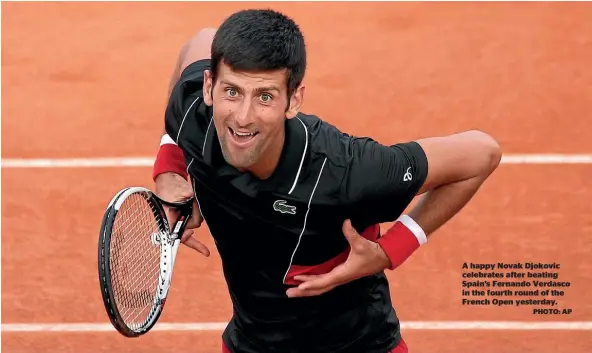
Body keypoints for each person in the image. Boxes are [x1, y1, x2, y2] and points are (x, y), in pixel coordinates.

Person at [152, 8, 501, 353]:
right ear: (209, 86)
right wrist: (171, 171)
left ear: (294, 100)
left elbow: (481, 153)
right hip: (252, 342)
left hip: (356, 344)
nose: (243, 117)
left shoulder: (348, 171)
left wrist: (389, 251)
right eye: (232, 92)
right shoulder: (193, 113)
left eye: (265, 97)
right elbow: (202, 40)